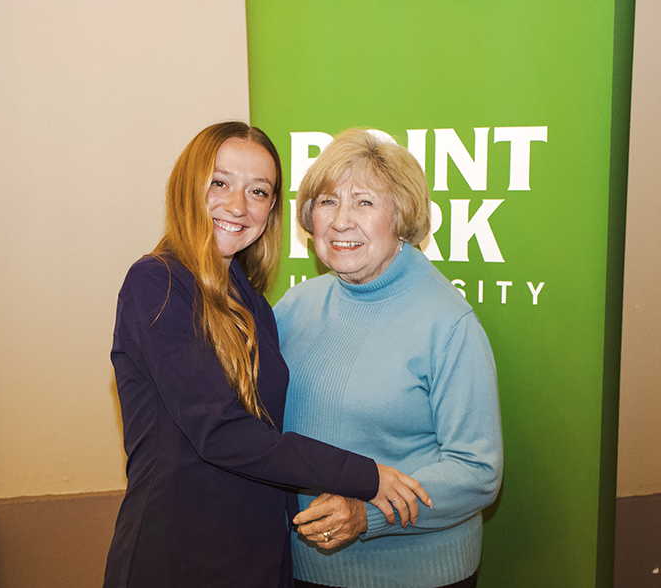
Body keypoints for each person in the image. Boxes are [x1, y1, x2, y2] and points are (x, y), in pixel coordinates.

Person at [103, 122, 430, 588]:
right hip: (178, 555)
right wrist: (365, 475)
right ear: (186, 187)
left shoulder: (253, 302)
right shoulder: (156, 284)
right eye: (220, 183)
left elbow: (270, 431)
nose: (237, 205)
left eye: (258, 191)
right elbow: (222, 433)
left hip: (257, 554)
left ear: (271, 208)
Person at [275, 128, 504, 588]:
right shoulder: (292, 307)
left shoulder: (447, 322)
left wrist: (367, 514)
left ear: (401, 217)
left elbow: (478, 470)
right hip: (300, 568)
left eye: (364, 202)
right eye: (326, 201)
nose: (341, 221)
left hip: (413, 574)